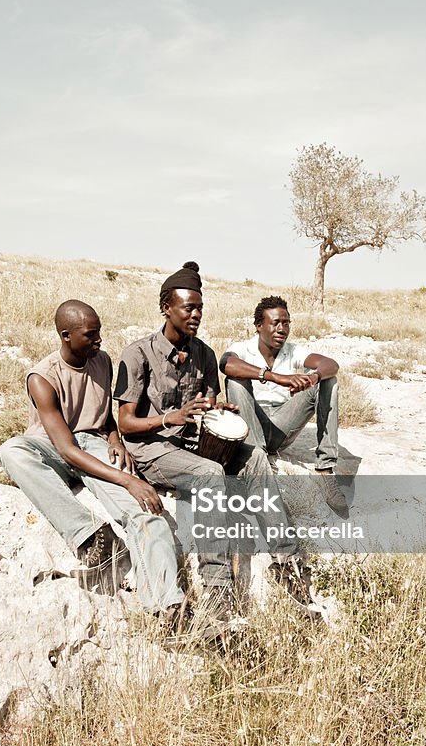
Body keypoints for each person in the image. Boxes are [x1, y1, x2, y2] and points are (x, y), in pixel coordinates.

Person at [114, 262, 317, 615]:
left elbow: (205, 411)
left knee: (253, 458)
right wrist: (169, 418)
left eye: (200, 308)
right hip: (151, 449)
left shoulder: (204, 354)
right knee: (210, 473)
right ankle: (218, 587)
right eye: (188, 308)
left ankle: (287, 560)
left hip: (193, 445)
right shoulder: (138, 354)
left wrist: (217, 410)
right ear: (166, 308)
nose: (196, 315)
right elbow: (126, 424)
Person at [0, 300, 185, 618]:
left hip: (96, 444)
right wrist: (128, 480)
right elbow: (67, 449)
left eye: (99, 333)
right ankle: (91, 536)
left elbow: (104, 415)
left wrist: (115, 440)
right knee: (12, 450)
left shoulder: (102, 361)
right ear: (66, 335)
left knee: (147, 514)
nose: (98, 341)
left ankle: (167, 607)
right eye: (90, 335)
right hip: (54, 446)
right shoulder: (41, 377)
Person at [220, 295, 348, 515]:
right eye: (275, 323)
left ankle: (325, 469)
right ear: (259, 326)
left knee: (329, 380)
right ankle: (257, 463)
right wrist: (275, 377)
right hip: (251, 426)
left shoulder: (293, 350)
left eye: (286, 323)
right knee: (235, 380)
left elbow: (331, 364)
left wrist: (314, 377)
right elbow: (226, 364)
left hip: (281, 425)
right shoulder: (243, 348)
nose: (282, 329)